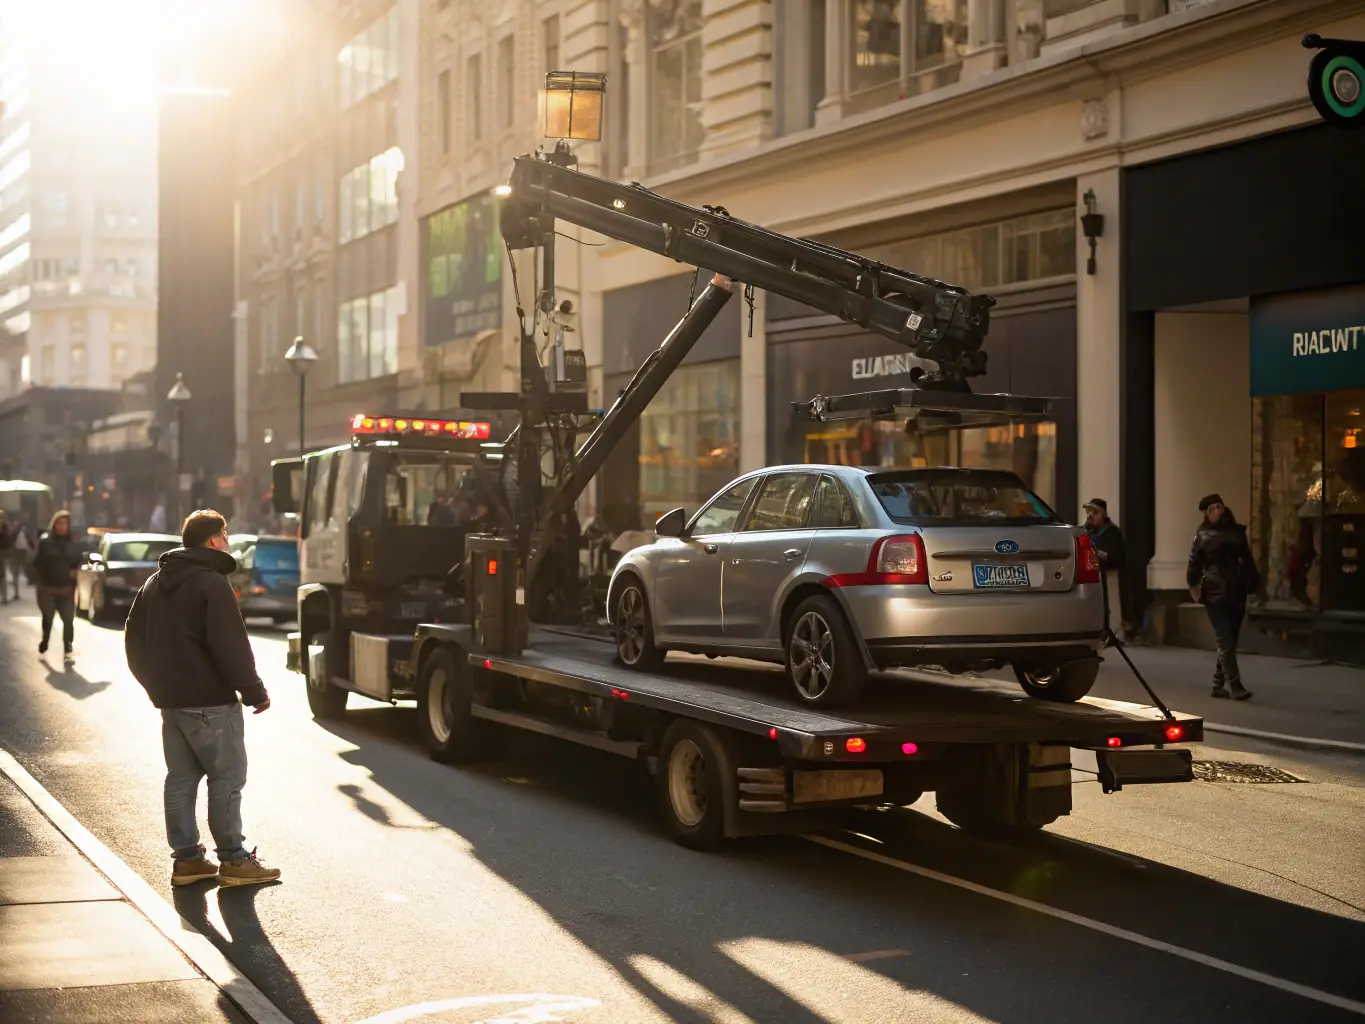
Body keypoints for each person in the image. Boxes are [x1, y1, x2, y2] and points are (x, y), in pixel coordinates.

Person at [124, 509, 281, 887]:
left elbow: (133, 637)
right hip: (210, 701)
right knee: (227, 778)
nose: (227, 542)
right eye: (225, 535)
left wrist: (155, 685)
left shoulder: (155, 582)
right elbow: (231, 645)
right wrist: (254, 691)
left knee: (180, 779)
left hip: (171, 704)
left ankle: (188, 861)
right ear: (213, 540)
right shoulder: (212, 583)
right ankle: (234, 860)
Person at [1186, 494, 1260, 701]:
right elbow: (1194, 563)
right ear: (1206, 515)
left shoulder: (1237, 533)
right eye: (1211, 510)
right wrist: (1193, 586)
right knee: (1225, 639)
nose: (1216, 512)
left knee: (1230, 640)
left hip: (1236, 591)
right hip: (1214, 592)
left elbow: (1247, 560)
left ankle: (1217, 685)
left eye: (1218, 507)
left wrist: (1253, 583)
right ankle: (1235, 685)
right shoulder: (1202, 536)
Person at [1082, 498, 1135, 641]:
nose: (1091, 516)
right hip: (1093, 577)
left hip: (1110, 577)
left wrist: (1100, 554)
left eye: (1095, 513)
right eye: (1089, 512)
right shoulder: (1086, 531)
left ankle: (1115, 633)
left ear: (1103, 514)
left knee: (1112, 609)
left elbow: (1117, 558)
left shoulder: (1112, 532)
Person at [33, 510, 82, 657]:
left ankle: (68, 646)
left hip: (66, 589)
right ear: (54, 525)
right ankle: (45, 640)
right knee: (48, 618)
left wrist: (75, 571)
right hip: (48, 589)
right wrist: (42, 577)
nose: (62, 527)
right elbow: (36, 563)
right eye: (59, 524)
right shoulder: (45, 543)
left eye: (64, 524)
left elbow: (78, 560)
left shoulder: (73, 544)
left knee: (68, 619)